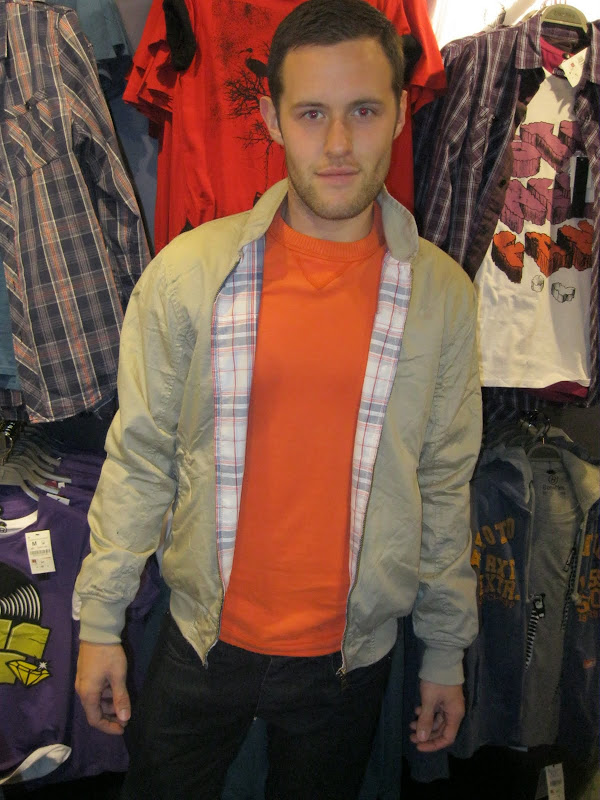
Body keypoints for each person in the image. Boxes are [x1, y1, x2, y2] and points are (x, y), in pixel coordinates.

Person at [74, 1, 482, 797]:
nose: (339, 144)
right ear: (270, 118)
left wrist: (444, 652)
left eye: (364, 111)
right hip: (198, 641)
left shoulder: (442, 297)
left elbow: (442, 481)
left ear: (401, 112)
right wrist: (98, 624)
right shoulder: (189, 275)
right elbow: (141, 460)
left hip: (349, 661)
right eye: (312, 114)